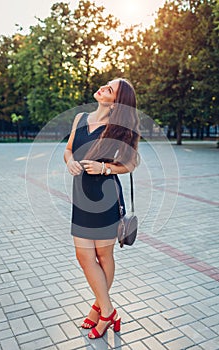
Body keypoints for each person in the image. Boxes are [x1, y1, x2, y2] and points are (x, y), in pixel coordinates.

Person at [64, 78, 140, 339]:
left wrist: (105, 168)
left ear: (117, 102)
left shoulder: (118, 127)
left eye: (110, 90)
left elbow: (130, 164)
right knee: (84, 256)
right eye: (106, 84)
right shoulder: (80, 118)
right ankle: (108, 310)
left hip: (106, 197)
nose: (103, 88)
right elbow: (68, 149)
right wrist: (70, 162)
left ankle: (101, 311)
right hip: (81, 196)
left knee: (103, 256)